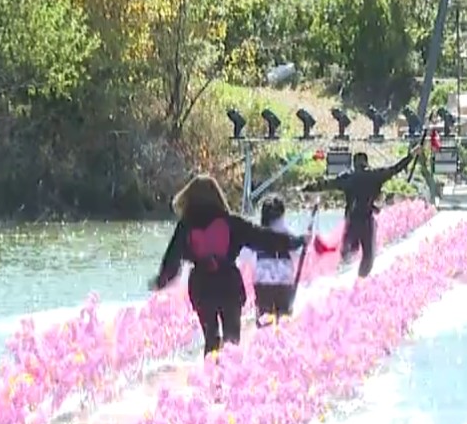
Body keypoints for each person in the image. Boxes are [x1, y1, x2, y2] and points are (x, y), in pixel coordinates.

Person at [151, 175, 306, 356]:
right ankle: (229, 377)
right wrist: (295, 241)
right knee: (232, 339)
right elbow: (263, 238)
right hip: (229, 286)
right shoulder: (232, 223)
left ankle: (210, 377)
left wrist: (161, 281)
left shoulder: (185, 226)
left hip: (202, 288)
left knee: (211, 338)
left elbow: (173, 258)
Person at [300, 144, 417, 278]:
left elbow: (327, 184)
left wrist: (308, 188)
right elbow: (395, 169)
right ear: (366, 163)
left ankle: (344, 274)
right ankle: (361, 279)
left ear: (354, 164)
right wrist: (411, 156)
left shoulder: (348, 178)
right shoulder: (375, 176)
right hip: (367, 221)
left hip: (352, 221)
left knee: (347, 252)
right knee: (368, 257)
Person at [250, 198, 300, 325]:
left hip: (262, 286)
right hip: (284, 286)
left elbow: (247, 258)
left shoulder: (256, 234)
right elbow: (297, 255)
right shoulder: (288, 235)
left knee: (265, 319)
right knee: (283, 319)